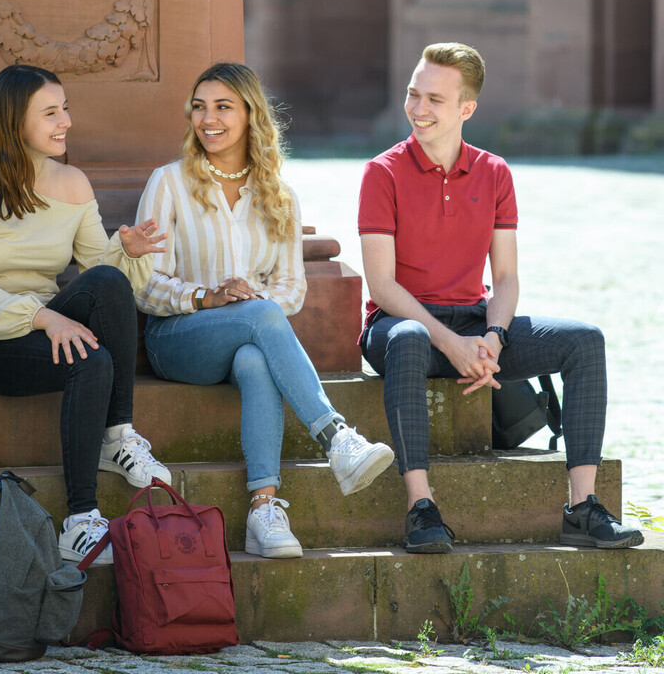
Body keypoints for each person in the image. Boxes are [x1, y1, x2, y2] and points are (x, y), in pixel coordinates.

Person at [359, 42, 644, 553]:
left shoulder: (494, 173)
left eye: (435, 100)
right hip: (401, 328)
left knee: (585, 341)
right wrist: (451, 343)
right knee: (405, 337)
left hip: (474, 322)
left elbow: (506, 277)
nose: (418, 109)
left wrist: (492, 336)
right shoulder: (382, 172)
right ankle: (421, 509)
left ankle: (581, 506)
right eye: (412, 94)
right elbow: (382, 287)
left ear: (467, 109)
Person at [135, 61, 394, 559]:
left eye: (223, 107)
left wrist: (250, 298)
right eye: (199, 107)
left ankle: (264, 510)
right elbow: (145, 285)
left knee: (257, 354)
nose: (208, 119)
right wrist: (207, 298)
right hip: (177, 339)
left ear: (251, 115)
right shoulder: (168, 183)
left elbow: (291, 289)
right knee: (260, 315)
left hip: (246, 342)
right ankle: (335, 435)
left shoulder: (279, 195)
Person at [0, 64, 171, 564]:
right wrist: (45, 319)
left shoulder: (74, 182)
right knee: (93, 360)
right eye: (50, 112)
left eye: (64, 108)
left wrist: (126, 252)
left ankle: (118, 436)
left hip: (44, 326)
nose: (65, 120)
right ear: (13, 120)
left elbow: (99, 281)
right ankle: (85, 518)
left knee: (107, 289)